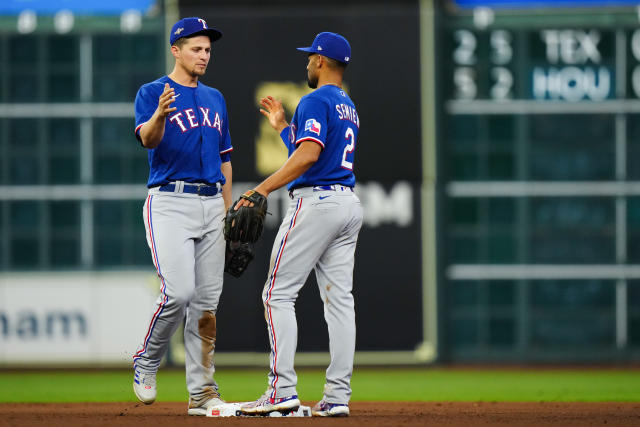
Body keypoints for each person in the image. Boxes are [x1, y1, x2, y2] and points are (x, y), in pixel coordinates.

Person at [239, 32, 362, 418]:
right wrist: (281, 126)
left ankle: (282, 391)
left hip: (317, 203)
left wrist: (260, 188)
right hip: (347, 203)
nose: (307, 62)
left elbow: (309, 154)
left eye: (311, 57)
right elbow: (313, 148)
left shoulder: (314, 99)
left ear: (322, 61)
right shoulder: (347, 105)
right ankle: (338, 396)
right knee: (340, 301)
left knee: (277, 294)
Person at [131, 17, 233, 416]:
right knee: (178, 293)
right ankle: (148, 359)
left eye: (207, 49)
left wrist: (228, 212)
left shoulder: (215, 98)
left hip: (211, 203)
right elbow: (148, 140)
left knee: (207, 305)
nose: (204, 55)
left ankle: (202, 392)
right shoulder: (153, 92)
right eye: (196, 48)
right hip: (170, 201)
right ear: (176, 49)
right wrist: (158, 114)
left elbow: (226, 160)